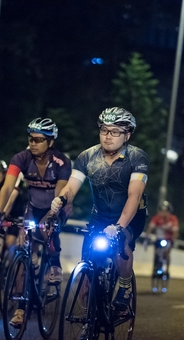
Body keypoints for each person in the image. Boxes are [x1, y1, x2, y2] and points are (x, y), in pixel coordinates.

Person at [52, 106, 148, 324]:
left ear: (127, 134)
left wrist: (120, 226)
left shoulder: (137, 157)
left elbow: (134, 196)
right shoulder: (87, 156)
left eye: (115, 132)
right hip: (100, 216)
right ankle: (90, 317)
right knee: (88, 267)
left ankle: (124, 288)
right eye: (104, 130)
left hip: (131, 215)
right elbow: (71, 187)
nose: (108, 136)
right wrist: (61, 199)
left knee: (121, 242)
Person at [0, 117, 72, 328]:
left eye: (39, 140)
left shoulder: (62, 162)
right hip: (33, 208)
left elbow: (61, 192)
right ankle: (20, 309)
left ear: (50, 142)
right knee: (23, 252)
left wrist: (51, 217)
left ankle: (54, 262)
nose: (33, 143)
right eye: (31, 139)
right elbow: (7, 187)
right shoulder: (21, 158)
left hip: (57, 206)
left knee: (47, 230)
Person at [146, 200, 179, 287]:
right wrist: (146, 238)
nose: (163, 212)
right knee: (156, 254)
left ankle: (167, 269)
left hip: (168, 240)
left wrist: (174, 240)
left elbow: (175, 231)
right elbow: (150, 228)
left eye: (165, 211)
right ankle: (155, 268)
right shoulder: (156, 218)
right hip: (158, 239)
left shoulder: (173, 219)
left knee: (167, 254)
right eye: (162, 210)